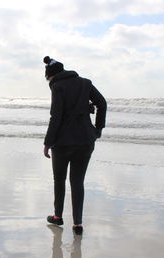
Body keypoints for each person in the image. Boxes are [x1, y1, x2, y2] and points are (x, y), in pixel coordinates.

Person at [43, 56, 107, 235]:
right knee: (77, 182)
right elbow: (102, 104)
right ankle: (78, 224)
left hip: (62, 142)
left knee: (59, 180)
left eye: (47, 78)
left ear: (51, 76)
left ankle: (57, 216)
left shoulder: (57, 86)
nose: (48, 82)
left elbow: (56, 117)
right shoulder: (85, 83)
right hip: (85, 140)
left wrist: (48, 143)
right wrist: (98, 129)